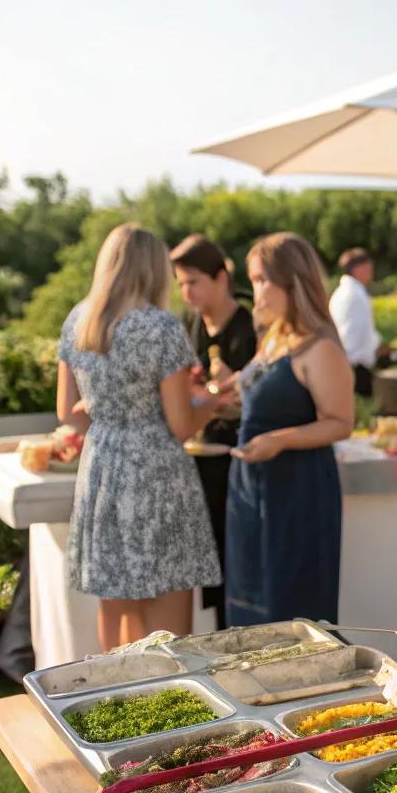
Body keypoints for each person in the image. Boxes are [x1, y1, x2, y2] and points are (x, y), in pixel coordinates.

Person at [57, 224, 223, 649]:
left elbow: (66, 413)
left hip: (102, 465)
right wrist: (219, 402)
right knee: (166, 616)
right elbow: (182, 424)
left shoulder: (79, 319)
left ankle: (116, 699)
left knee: (117, 598)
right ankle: (170, 706)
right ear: (153, 269)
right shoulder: (160, 327)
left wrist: (107, 412)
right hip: (155, 470)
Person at [224, 232, 354, 627]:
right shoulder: (274, 338)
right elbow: (255, 398)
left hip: (297, 491)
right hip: (251, 487)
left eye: (263, 279)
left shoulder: (321, 347)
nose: (256, 290)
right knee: (251, 601)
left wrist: (279, 440)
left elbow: (341, 422)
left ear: (292, 281)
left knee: (290, 607)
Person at [171, 233, 257, 628]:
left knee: (237, 567)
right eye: (181, 283)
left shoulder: (250, 325)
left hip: (239, 461)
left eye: (193, 282)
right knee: (207, 570)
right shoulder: (188, 326)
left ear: (221, 277)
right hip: (195, 462)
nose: (186, 292)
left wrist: (225, 389)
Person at [329, 248, 387, 397]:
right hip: (354, 367)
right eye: (368, 268)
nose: (370, 273)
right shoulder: (354, 295)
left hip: (345, 364)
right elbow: (354, 334)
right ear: (358, 269)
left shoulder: (344, 292)